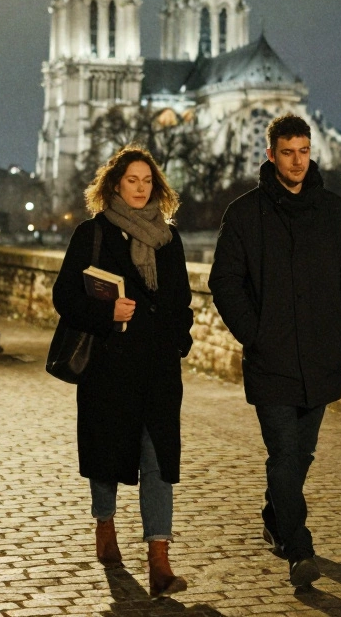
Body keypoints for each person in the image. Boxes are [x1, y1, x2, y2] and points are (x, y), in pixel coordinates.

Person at [208, 113, 341, 588]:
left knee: (303, 453)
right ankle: (300, 551)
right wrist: (254, 334)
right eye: (288, 152)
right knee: (283, 453)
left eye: (304, 151)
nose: (297, 161)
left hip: (320, 354)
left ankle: (275, 516)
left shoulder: (333, 210)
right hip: (272, 358)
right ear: (271, 154)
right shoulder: (244, 213)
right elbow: (224, 282)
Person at [52, 147, 194, 599]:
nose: (139, 187)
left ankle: (159, 560)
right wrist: (107, 311)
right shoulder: (91, 234)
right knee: (107, 455)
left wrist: (179, 339)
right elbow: (64, 296)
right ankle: (105, 524)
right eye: (131, 180)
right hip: (109, 366)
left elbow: (182, 301)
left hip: (158, 369)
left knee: (158, 463)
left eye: (146, 181)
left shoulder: (170, 239)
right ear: (115, 185)